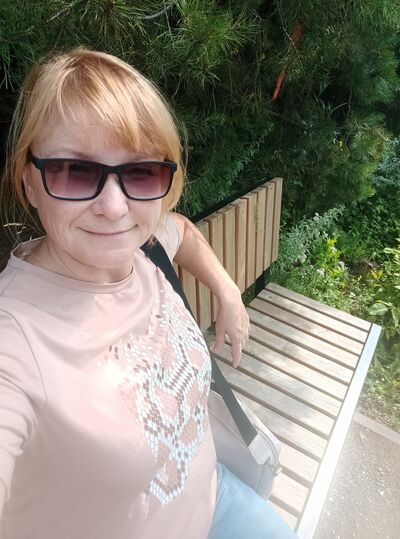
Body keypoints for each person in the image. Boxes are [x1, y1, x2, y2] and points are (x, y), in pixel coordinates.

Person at [0, 48, 297, 538]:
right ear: (29, 181)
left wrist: (227, 291)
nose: (115, 208)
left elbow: (182, 232)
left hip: (218, 499)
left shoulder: (143, 248)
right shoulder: (16, 340)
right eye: (74, 171)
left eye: (140, 172)